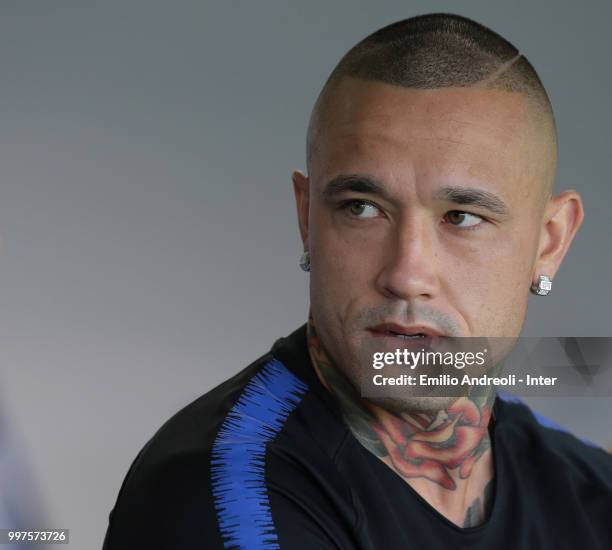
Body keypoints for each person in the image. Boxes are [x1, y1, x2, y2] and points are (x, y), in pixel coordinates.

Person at [102, 13, 612, 549]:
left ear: (550, 242)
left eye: (460, 216)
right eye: (362, 209)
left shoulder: (592, 494)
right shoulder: (222, 496)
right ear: (307, 219)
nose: (406, 274)